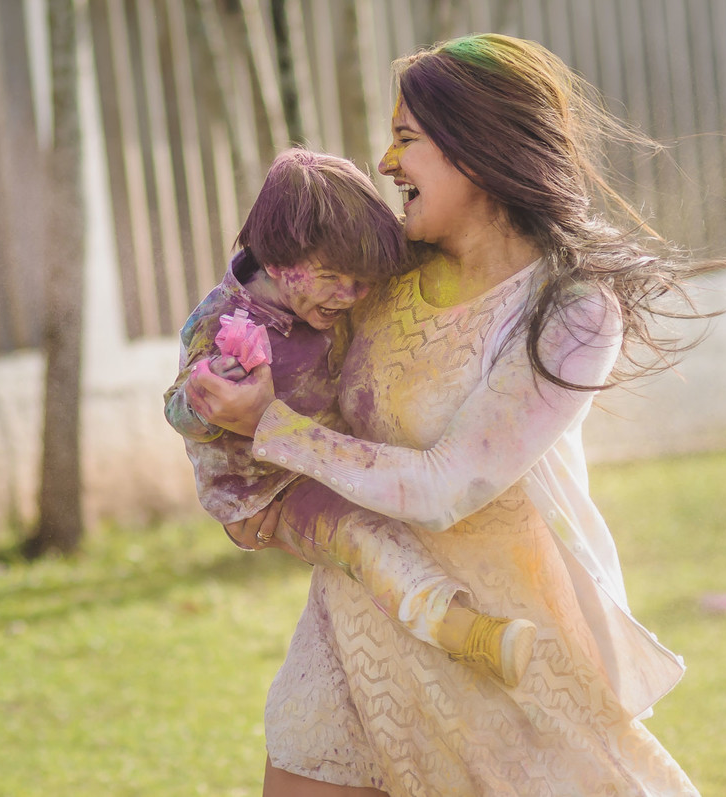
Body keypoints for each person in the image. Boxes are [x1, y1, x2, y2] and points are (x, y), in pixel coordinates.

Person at [189, 34, 712, 796]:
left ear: (477, 148)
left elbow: (449, 485)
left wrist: (271, 430)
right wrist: (240, 477)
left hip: (499, 649)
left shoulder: (570, 311)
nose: (386, 162)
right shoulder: (382, 275)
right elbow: (264, 347)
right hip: (357, 631)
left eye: (407, 139)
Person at [165, 148, 536, 687]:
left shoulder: (329, 298)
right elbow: (177, 409)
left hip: (333, 456)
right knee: (365, 538)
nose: (350, 294)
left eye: (361, 279)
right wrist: (204, 395)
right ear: (274, 259)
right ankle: (467, 634)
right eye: (333, 276)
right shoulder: (225, 323)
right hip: (273, 488)